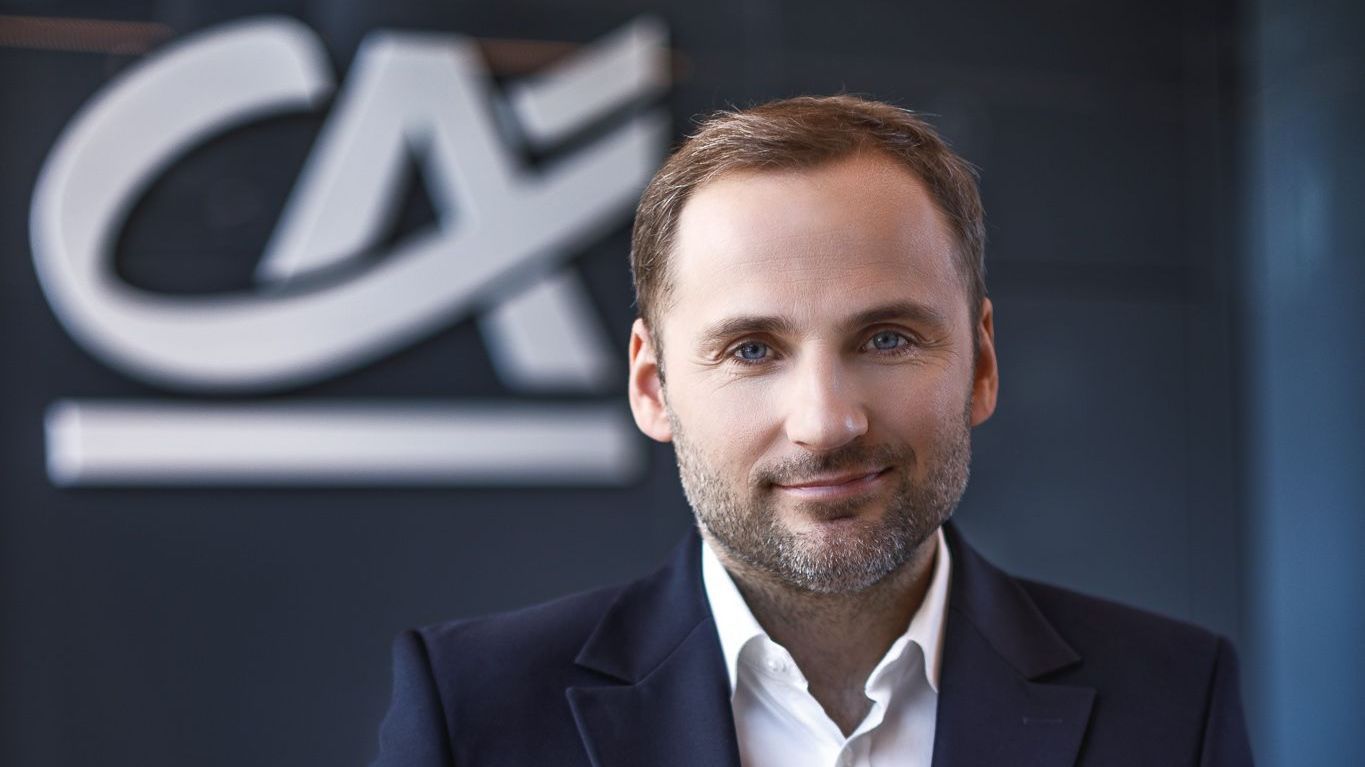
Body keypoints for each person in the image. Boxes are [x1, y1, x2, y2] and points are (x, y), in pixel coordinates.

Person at [370, 95, 1254, 766]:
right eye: (752, 349)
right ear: (652, 386)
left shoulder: (1173, 698)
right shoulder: (474, 711)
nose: (826, 422)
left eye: (886, 338)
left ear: (981, 363)